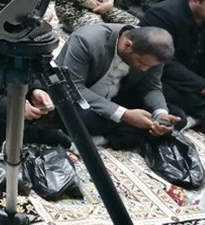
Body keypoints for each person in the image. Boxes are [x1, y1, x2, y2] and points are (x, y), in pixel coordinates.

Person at [56, 24, 185, 149]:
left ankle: (110, 136)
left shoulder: (152, 53)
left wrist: (160, 114)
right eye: (141, 63)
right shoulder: (87, 40)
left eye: (149, 66)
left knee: (175, 119)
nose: (144, 69)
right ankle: (121, 135)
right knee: (79, 118)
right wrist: (124, 114)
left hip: (117, 96)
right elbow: (72, 87)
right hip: (81, 99)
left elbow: (151, 87)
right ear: (128, 46)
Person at [139, 0, 205, 136]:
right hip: (168, 77)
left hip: (200, 72)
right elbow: (162, 63)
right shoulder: (161, 15)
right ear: (195, 0)